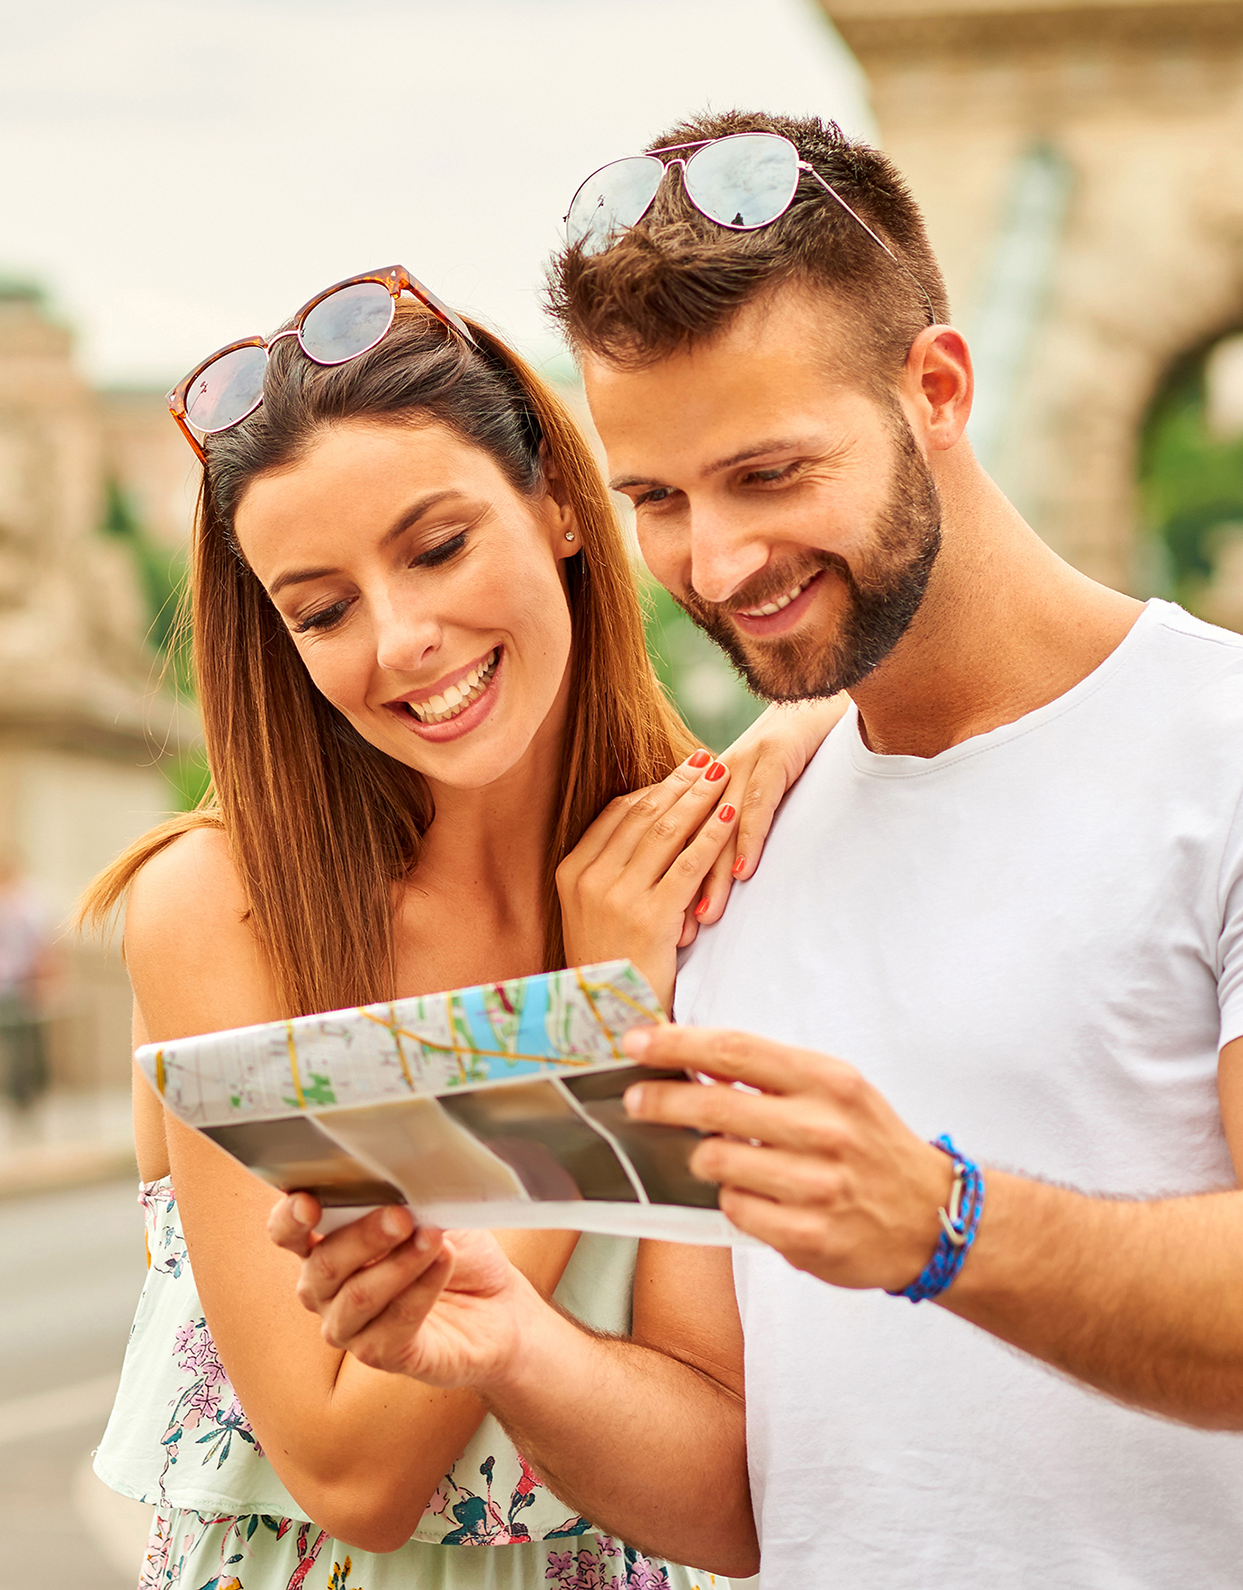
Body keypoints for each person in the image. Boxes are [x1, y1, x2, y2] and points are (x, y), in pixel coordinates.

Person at [277, 113, 1243, 1587]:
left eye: (771, 473)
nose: (719, 563)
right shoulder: (740, 840)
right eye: (658, 499)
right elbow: (742, 1481)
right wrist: (515, 1343)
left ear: (937, 387)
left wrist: (946, 1226)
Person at [77, 262, 844, 1590]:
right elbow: (349, 1467)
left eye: (436, 548)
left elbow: (730, 1468)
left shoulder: (720, 873)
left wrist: (830, 716)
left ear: (556, 499)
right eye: (321, 608)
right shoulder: (226, 906)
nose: (405, 638)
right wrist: (594, 1019)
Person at [0, 850, 58, 1118]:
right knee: (4, 1037)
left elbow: (43, 943)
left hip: (22, 980)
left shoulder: (30, 904)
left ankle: (28, 1090)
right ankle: (9, 1090)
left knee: (26, 1037)